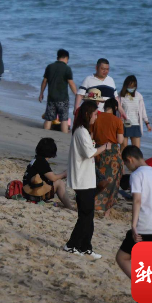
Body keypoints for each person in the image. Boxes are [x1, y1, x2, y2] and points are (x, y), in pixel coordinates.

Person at [115, 145, 152, 296]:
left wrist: (133, 226)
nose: (128, 168)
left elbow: (137, 201)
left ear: (130, 159)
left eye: (126, 164)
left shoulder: (136, 175)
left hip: (146, 227)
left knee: (122, 258)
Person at [64, 99, 110, 259]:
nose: (96, 117)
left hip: (87, 179)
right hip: (82, 180)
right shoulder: (81, 131)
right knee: (85, 215)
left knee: (88, 215)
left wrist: (94, 144)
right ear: (87, 114)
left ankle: (85, 247)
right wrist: (104, 147)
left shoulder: (83, 131)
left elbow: (88, 150)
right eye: (95, 114)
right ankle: (71, 245)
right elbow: (90, 153)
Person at [93, 97, 125, 218]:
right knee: (112, 182)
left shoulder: (96, 117)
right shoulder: (117, 121)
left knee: (96, 179)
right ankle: (106, 212)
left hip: (98, 151)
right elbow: (120, 140)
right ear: (115, 107)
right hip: (112, 154)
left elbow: (91, 135)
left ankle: (93, 203)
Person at [23, 137, 73, 209]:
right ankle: (69, 207)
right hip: (32, 193)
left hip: (27, 189)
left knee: (55, 181)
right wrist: (64, 174)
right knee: (59, 183)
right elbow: (53, 178)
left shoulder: (36, 159)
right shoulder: (42, 162)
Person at [39, 49, 77, 133]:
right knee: (64, 119)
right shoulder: (67, 68)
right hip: (63, 99)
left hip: (51, 98)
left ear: (57, 57)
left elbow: (44, 81)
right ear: (66, 58)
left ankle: (45, 133)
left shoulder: (50, 67)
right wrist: (76, 94)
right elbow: (71, 83)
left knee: (49, 118)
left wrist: (41, 93)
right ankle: (64, 134)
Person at [118, 75, 151, 147]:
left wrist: (147, 123)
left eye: (133, 86)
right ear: (126, 85)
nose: (131, 88)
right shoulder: (120, 96)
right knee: (124, 147)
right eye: (130, 86)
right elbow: (117, 110)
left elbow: (143, 111)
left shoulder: (139, 96)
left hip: (135, 124)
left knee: (136, 148)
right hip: (124, 124)